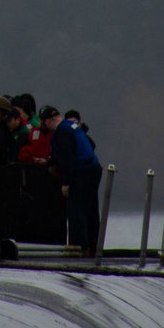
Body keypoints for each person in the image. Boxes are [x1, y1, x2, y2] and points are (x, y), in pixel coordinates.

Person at [44, 107, 103, 254]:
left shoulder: (61, 132)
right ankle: (93, 246)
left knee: (75, 211)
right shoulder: (72, 126)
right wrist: (49, 162)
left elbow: (67, 160)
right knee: (90, 210)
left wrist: (66, 183)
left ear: (48, 121)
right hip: (94, 168)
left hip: (82, 172)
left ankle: (81, 248)